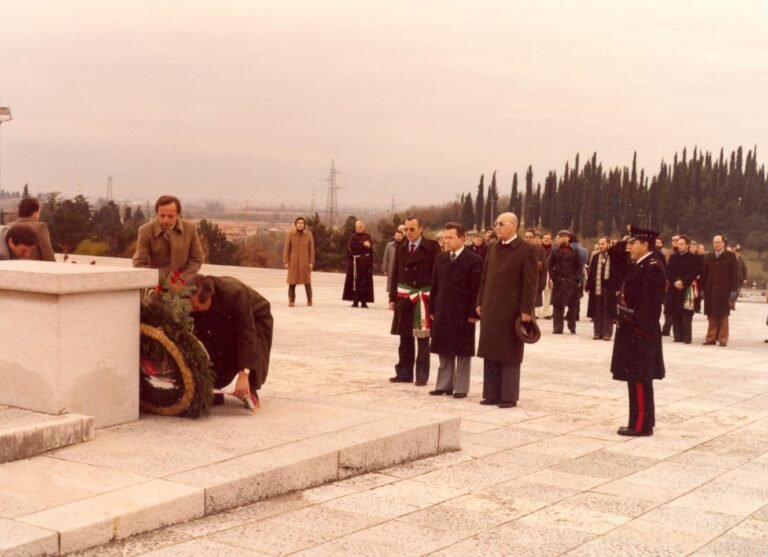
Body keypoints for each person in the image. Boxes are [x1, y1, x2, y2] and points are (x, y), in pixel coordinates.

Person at [475, 212, 537, 408]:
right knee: (490, 350)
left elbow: (530, 283)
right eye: (496, 224)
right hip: (491, 307)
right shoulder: (493, 247)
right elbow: (484, 277)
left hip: (512, 310)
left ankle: (508, 396)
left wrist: (526, 309)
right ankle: (491, 394)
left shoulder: (526, 249)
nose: (497, 227)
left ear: (513, 226)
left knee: (509, 353)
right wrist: (479, 301)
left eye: (501, 224)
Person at [610, 226, 666, 436]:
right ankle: (638, 422)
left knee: (640, 379)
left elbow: (652, 305)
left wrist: (637, 327)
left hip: (641, 333)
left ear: (645, 245)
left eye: (633, 243)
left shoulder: (652, 267)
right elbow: (615, 256)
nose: (629, 247)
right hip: (633, 330)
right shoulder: (640, 264)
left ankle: (642, 425)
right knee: (634, 378)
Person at [188, 274, 273, 408]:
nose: (193, 311)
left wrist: (244, 374)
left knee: (251, 346)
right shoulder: (193, 294)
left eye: (196, 308)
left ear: (208, 298)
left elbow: (246, 334)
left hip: (257, 317)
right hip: (229, 315)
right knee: (216, 345)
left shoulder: (235, 294)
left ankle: (250, 386)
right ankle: (215, 386)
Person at [428, 222, 482, 399]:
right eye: (445, 237)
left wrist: (474, 312)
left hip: (463, 313)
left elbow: (476, 289)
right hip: (443, 310)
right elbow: (434, 286)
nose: (447, 241)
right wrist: (432, 308)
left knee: (462, 352)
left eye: (451, 237)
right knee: (443, 349)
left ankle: (460, 387)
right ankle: (443, 384)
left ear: (463, 237)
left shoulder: (474, 260)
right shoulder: (440, 259)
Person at [389, 216, 440, 385]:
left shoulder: (432, 247)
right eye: (406, 230)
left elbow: (437, 275)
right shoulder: (401, 247)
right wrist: (392, 298)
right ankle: (404, 373)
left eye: (412, 229)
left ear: (421, 229)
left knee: (423, 339)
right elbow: (395, 273)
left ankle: (421, 375)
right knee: (404, 338)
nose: (408, 233)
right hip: (405, 298)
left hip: (423, 299)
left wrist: (435, 300)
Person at [133, 195, 204, 281]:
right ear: (156, 213)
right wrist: (157, 280)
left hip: (183, 286)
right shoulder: (145, 231)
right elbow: (139, 262)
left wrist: (181, 279)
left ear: (178, 215)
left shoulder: (190, 229)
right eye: (162, 216)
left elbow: (197, 259)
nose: (165, 220)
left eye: (170, 216)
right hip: (155, 285)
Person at [700, 234, 739, 347]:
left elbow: (734, 274)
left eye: (718, 242)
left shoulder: (730, 256)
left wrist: (733, 290)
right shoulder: (709, 256)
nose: (716, 244)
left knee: (723, 315)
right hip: (710, 290)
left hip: (724, 291)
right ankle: (710, 338)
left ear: (723, 243)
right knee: (711, 315)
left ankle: (723, 339)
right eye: (714, 242)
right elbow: (704, 274)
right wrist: (702, 288)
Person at [666, 235, 701, 344]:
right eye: (678, 244)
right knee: (676, 312)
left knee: (686, 313)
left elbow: (694, 272)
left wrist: (683, 282)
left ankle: (687, 337)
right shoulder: (673, 257)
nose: (679, 246)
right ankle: (677, 336)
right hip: (675, 288)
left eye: (682, 244)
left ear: (687, 245)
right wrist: (675, 281)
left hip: (687, 287)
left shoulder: (693, 258)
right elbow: (669, 272)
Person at [585, 236, 619, 341]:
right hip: (597, 287)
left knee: (608, 311)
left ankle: (607, 333)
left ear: (609, 244)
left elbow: (618, 274)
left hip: (609, 288)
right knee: (597, 310)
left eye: (603, 244)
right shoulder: (595, 256)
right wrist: (588, 286)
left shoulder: (614, 257)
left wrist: (618, 287)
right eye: (599, 244)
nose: (601, 246)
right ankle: (597, 332)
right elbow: (591, 272)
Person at [549, 229, 581, 334]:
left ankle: (572, 325)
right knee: (557, 305)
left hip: (571, 281)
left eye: (564, 236)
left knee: (573, 305)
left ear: (568, 238)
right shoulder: (554, 250)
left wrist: (576, 278)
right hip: (559, 281)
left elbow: (579, 266)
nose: (562, 238)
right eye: (560, 236)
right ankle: (557, 327)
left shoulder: (575, 250)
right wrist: (553, 277)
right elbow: (549, 265)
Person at [283, 217, 314, 307]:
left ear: (304, 225)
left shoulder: (309, 235)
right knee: (292, 283)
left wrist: (311, 262)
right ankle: (291, 301)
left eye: (302, 223)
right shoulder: (290, 234)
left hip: (305, 263)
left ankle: (309, 300)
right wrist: (286, 261)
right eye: (299, 223)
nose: (300, 224)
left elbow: (311, 249)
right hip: (293, 263)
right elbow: (286, 249)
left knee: (307, 283)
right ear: (295, 224)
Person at [342, 220, 375, 308]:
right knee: (355, 282)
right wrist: (362, 244)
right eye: (357, 226)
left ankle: (364, 302)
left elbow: (369, 248)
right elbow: (351, 246)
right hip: (355, 263)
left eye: (360, 226)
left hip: (365, 262)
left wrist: (359, 246)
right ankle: (355, 301)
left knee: (364, 282)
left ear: (364, 227)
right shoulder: (352, 236)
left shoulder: (368, 236)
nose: (359, 228)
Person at [524, 228, 548, 320]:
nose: (528, 239)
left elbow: (544, 267)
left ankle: (532, 328)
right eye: (526, 237)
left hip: (534, 282)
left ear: (534, 238)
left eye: (530, 237)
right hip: (521, 283)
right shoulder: (519, 249)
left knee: (531, 308)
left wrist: (542, 283)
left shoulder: (540, 250)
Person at [538, 232, 554, 319]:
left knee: (548, 294)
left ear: (551, 240)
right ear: (542, 239)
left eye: (548, 238)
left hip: (549, 273)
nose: (546, 240)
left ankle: (546, 312)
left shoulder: (554, 250)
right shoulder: (539, 249)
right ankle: (537, 312)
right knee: (538, 292)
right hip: (539, 273)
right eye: (545, 238)